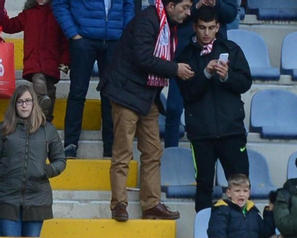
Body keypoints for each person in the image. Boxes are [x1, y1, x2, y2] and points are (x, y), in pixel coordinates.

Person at [102, 0, 191, 223]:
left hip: (147, 96)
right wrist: (175, 69)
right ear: (171, 6)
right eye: (186, 7)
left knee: (153, 151)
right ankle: (119, 204)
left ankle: (151, 204)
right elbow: (143, 58)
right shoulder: (147, 20)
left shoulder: (166, 23)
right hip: (126, 93)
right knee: (123, 152)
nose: (188, 13)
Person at [177, 5, 251, 214]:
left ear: (218, 27)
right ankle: (203, 237)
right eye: (202, 27)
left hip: (232, 131)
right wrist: (206, 74)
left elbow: (245, 83)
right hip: (201, 133)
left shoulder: (232, 49)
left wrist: (227, 77)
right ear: (194, 27)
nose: (207, 33)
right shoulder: (186, 56)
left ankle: (241, 235)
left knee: (240, 186)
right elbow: (188, 93)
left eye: (211, 27)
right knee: (204, 187)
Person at [0, 86, 65, 238]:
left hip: (37, 197)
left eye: (28, 101)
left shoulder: (48, 130)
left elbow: (60, 161)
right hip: (7, 197)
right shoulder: (4, 129)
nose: (24, 105)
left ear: (34, 104)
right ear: (15, 105)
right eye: (20, 102)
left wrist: (45, 170)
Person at [55, 0, 137, 158]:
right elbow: (59, 4)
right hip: (83, 40)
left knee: (110, 95)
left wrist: (125, 33)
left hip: (114, 41)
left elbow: (128, 5)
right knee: (77, 93)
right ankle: (70, 144)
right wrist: (73, 34)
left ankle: (111, 147)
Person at [163, 0, 236, 149]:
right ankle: (171, 156)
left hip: (214, 51)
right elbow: (171, 13)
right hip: (184, 50)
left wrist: (215, 4)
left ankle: (206, 157)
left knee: (209, 109)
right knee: (173, 108)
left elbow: (231, 14)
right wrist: (197, 6)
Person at [1, 0, 70, 122]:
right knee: (39, 81)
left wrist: (65, 60)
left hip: (51, 61)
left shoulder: (57, 13)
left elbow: (65, 41)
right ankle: (42, 99)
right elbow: (10, 26)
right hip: (33, 60)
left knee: (51, 90)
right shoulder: (29, 13)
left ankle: (46, 120)